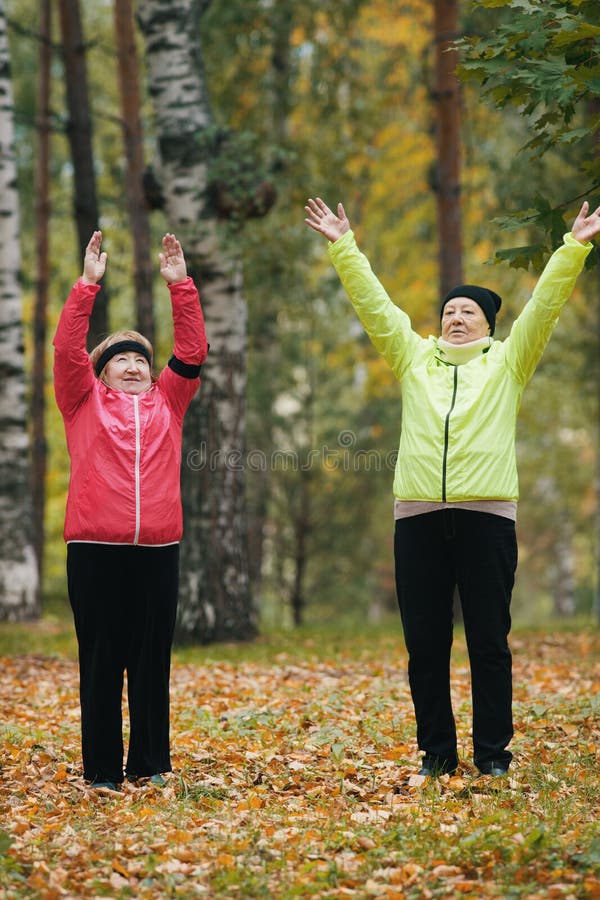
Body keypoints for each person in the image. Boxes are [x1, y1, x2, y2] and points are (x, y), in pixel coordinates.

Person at [305, 196, 600, 778]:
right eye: (449, 311)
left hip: (487, 517)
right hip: (417, 519)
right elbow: (377, 309)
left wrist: (575, 247)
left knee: (489, 641)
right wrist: (344, 246)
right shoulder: (415, 360)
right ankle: (437, 754)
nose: (456, 318)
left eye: (468, 311)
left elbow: (544, 306)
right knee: (425, 646)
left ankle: (493, 756)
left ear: (489, 324)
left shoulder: (509, 363)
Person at [53, 231, 208, 791]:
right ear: (101, 372)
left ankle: (149, 765)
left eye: (140, 359)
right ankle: (101, 774)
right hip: (95, 551)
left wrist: (180, 287)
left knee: (150, 664)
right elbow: (67, 352)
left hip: (157, 551)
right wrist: (87, 287)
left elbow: (190, 353)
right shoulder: (81, 402)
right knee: (101, 662)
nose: (134, 366)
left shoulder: (170, 401)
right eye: (120, 359)